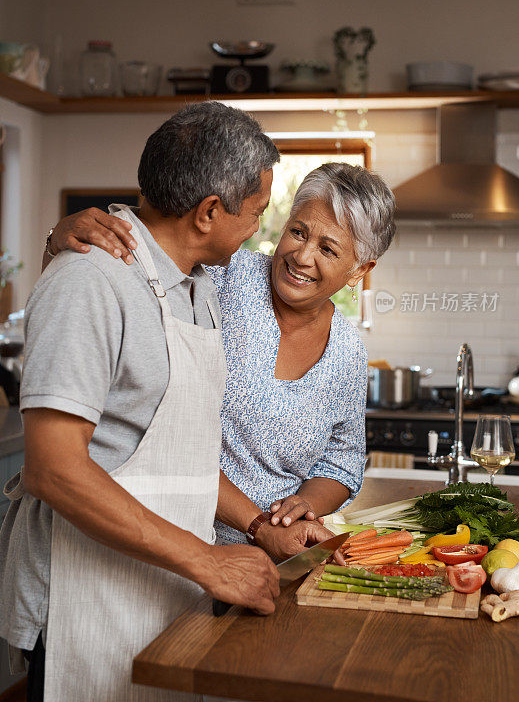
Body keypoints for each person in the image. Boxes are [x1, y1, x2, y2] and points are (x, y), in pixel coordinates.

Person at [0, 102, 334, 702]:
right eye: (258, 213)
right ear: (209, 211)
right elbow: (54, 470)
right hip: (84, 595)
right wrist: (209, 562)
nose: (260, 231)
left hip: (160, 587)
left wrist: (258, 526)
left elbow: (175, 467)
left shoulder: (198, 289)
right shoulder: (89, 281)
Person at [46, 161, 396, 548]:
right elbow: (109, 283)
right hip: (170, 536)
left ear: (359, 269)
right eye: (298, 232)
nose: (302, 256)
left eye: (327, 249)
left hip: (279, 554)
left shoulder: (347, 350)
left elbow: (341, 462)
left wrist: (299, 508)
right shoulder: (223, 276)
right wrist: (57, 239)